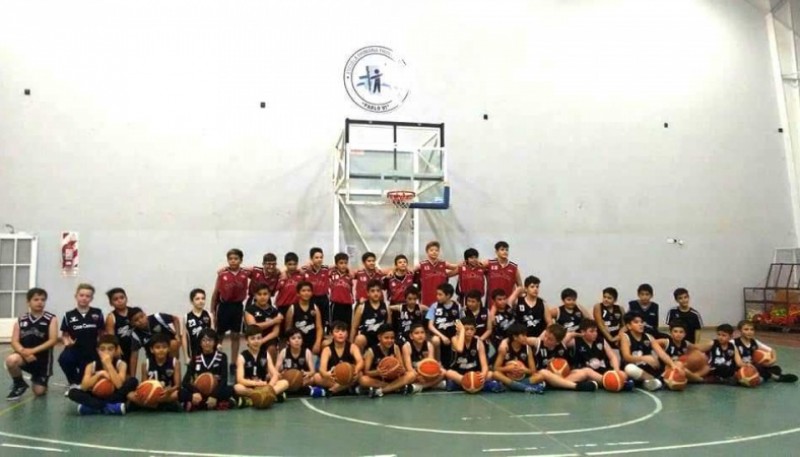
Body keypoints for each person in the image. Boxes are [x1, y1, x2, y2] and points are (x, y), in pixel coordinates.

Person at [6, 288, 58, 400]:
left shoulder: (51, 319)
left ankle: (39, 380)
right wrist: (24, 352)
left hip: (43, 361)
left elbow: (53, 340)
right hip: (25, 357)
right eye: (36, 299)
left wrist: (32, 351)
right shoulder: (21, 320)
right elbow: (14, 341)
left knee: (39, 392)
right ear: (28, 302)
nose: (40, 302)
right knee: (11, 360)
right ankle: (19, 383)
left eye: (43, 300)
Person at [68, 335, 137, 415]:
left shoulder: (121, 364)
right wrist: (100, 374)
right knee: (72, 392)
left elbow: (119, 385)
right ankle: (108, 407)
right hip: (96, 395)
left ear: (116, 350)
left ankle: (95, 408)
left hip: (114, 395)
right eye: (102, 349)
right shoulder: (91, 366)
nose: (106, 352)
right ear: (97, 350)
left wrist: (109, 365)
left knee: (133, 381)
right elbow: (84, 387)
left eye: (110, 349)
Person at [526, 323, 598, 392]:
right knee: (544, 372)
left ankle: (607, 381)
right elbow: (523, 340)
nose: (545, 339)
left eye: (550, 339)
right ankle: (576, 386)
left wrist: (581, 335)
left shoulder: (562, 343)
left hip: (562, 378)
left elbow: (571, 334)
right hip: (545, 378)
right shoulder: (538, 342)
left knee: (587, 371)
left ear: (557, 342)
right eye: (545, 336)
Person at [211, 248, 250, 374]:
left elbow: (260, 270)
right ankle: (216, 360)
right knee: (219, 335)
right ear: (228, 260)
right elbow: (216, 292)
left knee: (235, 335)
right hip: (224, 307)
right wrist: (212, 309)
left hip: (237, 307)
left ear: (241, 260)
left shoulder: (245, 273)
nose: (233, 261)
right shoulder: (222, 274)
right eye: (230, 259)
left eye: (236, 259)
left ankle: (233, 363)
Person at [59, 283, 104, 391]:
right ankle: (73, 383)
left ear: (91, 298)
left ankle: (83, 381)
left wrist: (101, 347)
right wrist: (66, 342)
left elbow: (102, 332)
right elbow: (64, 335)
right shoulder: (68, 315)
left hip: (92, 349)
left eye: (87, 296)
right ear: (76, 296)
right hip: (75, 348)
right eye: (81, 295)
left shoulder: (97, 313)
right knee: (64, 359)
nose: (84, 298)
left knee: (88, 377)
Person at [620, 312, 678, 391]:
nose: (640, 324)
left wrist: (672, 365)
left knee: (671, 364)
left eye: (641, 322)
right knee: (629, 368)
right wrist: (643, 358)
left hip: (647, 368)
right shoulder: (625, 336)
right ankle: (653, 381)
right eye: (636, 322)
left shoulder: (649, 336)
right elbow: (626, 357)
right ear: (629, 326)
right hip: (634, 369)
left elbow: (661, 353)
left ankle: (649, 382)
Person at [181, 328, 236, 411]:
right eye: (204, 340)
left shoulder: (222, 357)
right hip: (200, 393)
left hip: (216, 391)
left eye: (210, 340)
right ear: (200, 342)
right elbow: (185, 382)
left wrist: (214, 395)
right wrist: (196, 392)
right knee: (181, 392)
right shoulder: (195, 359)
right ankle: (219, 404)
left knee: (231, 389)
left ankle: (201, 404)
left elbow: (224, 380)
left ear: (215, 342)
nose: (207, 343)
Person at [444, 318, 504, 393]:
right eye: (466, 329)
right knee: (449, 373)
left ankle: (461, 385)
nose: (469, 331)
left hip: (475, 373)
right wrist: (462, 331)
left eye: (472, 329)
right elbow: (460, 349)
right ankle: (481, 385)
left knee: (490, 374)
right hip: (460, 374)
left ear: (475, 331)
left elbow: (484, 365)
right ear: (460, 330)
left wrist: (483, 374)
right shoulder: (454, 339)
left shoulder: (478, 342)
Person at [358, 324, 418, 397]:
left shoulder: (395, 348)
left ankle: (380, 391)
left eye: (392, 338)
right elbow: (366, 372)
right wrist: (377, 372)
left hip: (394, 378)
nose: (390, 340)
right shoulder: (371, 351)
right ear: (379, 337)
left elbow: (402, 368)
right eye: (386, 338)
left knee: (412, 375)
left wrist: (399, 369)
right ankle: (396, 387)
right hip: (379, 379)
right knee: (362, 379)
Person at [233, 326, 289, 404]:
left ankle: (251, 400)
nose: (256, 341)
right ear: (247, 341)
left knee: (285, 383)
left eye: (259, 338)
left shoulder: (266, 354)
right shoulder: (242, 357)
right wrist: (256, 383)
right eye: (252, 338)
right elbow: (240, 379)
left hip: (264, 386)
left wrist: (269, 387)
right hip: (250, 386)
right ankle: (270, 397)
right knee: (237, 388)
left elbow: (275, 374)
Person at [129, 333, 185, 411]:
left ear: (169, 348)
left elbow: (178, 385)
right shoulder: (146, 363)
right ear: (152, 350)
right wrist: (146, 392)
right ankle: (158, 405)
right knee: (130, 395)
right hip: (151, 393)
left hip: (167, 394)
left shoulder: (175, 362)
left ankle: (151, 405)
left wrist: (169, 391)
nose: (161, 350)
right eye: (157, 347)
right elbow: (144, 383)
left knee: (178, 394)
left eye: (164, 347)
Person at [571, 319, 631, 390]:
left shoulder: (601, 340)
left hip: (602, 371)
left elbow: (612, 356)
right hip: (586, 372)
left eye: (596, 331)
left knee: (623, 374)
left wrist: (616, 371)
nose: (595, 333)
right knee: (587, 372)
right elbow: (562, 340)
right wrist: (575, 334)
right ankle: (616, 383)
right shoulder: (575, 341)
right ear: (583, 332)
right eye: (591, 331)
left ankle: (612, 382)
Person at [314, 321, 364, 395]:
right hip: (334, 379)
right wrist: (328, 374)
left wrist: (356, 370)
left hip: (348, 377)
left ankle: (333, 390)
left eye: (343, 331)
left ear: (347, 334)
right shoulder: (327, 349)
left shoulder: (352, 347)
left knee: (360, 374)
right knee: (316, 377)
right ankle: (345, 388)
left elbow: (360, 361)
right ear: (331, 334)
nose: (340, 333)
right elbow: (322, 369)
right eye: (337, 331)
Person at [492, 323, 544, 394]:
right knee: (495, 374)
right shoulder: (505, 348)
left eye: (526, 335)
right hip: (508, 378)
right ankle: (526, 388)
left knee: (540, 376)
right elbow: (495, 368)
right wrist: (508, 369)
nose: (526, 337)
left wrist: (525, 370)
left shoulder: (527, 348)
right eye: (523, 335)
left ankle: (515, 387)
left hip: (521, 379)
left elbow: (533, 370)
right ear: (515, 337)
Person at [128, 307, 181, 377]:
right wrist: (132, 377)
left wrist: (177, 335)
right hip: (153, 357)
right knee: (146, 367)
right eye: (136, 320)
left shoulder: (157, 317)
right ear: (132, 324)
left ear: (145, 315)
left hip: (168, 351)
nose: (141, 320)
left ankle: (171, 368)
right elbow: (134, 355)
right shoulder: (136, 334)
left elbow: (175, 319)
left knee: (174, 343)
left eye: (142, 316)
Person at [276, 327, 321, 396]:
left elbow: (312, 371)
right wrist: (281, 374)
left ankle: (286, 392)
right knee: (276, 378)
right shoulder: (284, 352)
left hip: (302, 380)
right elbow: (276, 370)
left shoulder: (307, 352)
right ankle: (306, 391)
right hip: (287, 379)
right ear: (288, 341)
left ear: (302, 340)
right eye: (293, 338)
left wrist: (307, 373)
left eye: (299, 338)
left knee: (312, 378)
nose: (297, 340)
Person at [426, 283, 463, 367]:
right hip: (440, 336)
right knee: (436, 340)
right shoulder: (434, 306)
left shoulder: (457, 306)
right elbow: (430, 326)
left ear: (448, 295)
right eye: (437, 294)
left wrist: (458, 335)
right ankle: (438, 364)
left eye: (440, 294)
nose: (437, 296)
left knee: (457, 340)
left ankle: (456, 364)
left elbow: (462, 324)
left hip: (453, 335)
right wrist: (442, 336)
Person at [244, 283, 283, 362]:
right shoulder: (249, 310)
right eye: (259, 294)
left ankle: (270, 372)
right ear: (255, 296)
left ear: (269, 295)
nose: (262, 297)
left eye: (265, 294)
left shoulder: (274, 311)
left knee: (272, 348)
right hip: (254, 338)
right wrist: (273, 321)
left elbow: (275, 332)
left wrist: (262, 341)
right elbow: (254, 327)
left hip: (269, 339)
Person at [401, 322, 444, 390]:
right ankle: (434, 384)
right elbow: (409, 368)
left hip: (425, 374)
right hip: (414, 373)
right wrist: (418, 376)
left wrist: (427, 375)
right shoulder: (407, 346)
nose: (420, 335)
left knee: (443, 372)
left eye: (422, 332)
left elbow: (431, 364)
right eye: (417, 333)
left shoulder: (429, 345)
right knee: (411, 376)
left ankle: (420, 387)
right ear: (411, 336)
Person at [415, 241, 458, 307]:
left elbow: (458, 268)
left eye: (436, 250)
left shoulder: (443, 263)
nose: (434, 252)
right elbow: (409, 271)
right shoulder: (422, 265)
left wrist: (468, 263)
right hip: (427, 297)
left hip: (442, 297)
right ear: (427, 252)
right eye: (431, 250)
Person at [285, 281, 322, 354]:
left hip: (312, 341)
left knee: (325, 344)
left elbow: (319, 327)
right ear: (298, 293)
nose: (306, 293)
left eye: (309, 291)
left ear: (312, 293)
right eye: (303, 291)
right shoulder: (292, 308)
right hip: (297, 342)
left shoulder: (315, 307)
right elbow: (288, 329)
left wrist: (317, 343)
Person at [352, 280, 391, 351]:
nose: (376, 293)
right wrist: (350, 345)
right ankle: (359, 359)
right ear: (368, 293)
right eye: (372, 291)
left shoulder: (386, 307)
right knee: (359, 339)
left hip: (381, 339)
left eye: (378, 291)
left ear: (381, 292)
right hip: (366, 338)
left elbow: (388, 327)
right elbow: (354, 328)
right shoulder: (361, 307)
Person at [303, 247, 331, 332]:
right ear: (311, 259)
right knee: (311, 320)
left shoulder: (326, 269)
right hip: (311, 299)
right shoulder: (305, 270)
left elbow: (339, 266)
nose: (319, 259)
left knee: (323, 321)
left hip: (323, 299)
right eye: (316, 257)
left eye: (321, 257)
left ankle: (321, 338)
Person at [485, 241, 521, 306]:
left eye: (507, 250)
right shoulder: (489, 263)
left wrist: (513, 298)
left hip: (507, 303)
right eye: (502, 249)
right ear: (496, 252)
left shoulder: (513, 267)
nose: (505, 252)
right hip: (492, 303)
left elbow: (520, 286)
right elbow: (476, 265)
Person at [104, 287, 134, 366]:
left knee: (132, 373)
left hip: (134, 347)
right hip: (121, 348)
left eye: (122, 297)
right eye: (115, 299)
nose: (119, 301)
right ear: (111, 303)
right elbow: (111, 336)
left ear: (126, 299)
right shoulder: (111, 317)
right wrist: (116, 346)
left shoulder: (133, 312)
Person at [183, 288, 213, 362]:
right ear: (192, 301)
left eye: (203, 298)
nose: (201, 301)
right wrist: (186, 356)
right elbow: (184, 338)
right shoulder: (187, 317)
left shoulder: (209, 315)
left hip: (207, 353)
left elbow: (213, 334)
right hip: (194, 354)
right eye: (197, 299)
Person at [329, 252, 356, 329]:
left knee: (347, 325)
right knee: (335, 325)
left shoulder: (350, 275)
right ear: (336, 264)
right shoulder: (332, 273)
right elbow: (323, 268)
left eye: (345, 263)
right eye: (341, 263)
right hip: (336, 304)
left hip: (348, 304)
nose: (343, 265)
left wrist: (349, 269)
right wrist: (334, 266)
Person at [463, 289, 492, 355]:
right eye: (468, 301)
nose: (470, 303)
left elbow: (489, 330)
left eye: (473, 301)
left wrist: (480, 339)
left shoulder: (486, 311)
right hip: (467, 340)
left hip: (482, 339)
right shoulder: (463, 312)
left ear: (479, 302)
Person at [488, 288, 515, 357]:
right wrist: (493, 310)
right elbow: (490, 330)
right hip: (500, 342)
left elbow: (519, 289)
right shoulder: (491, 315)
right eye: (499, 299)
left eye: (504, 299)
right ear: (494, 301)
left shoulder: (509, 305)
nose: (503, 301)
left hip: (515, 338)